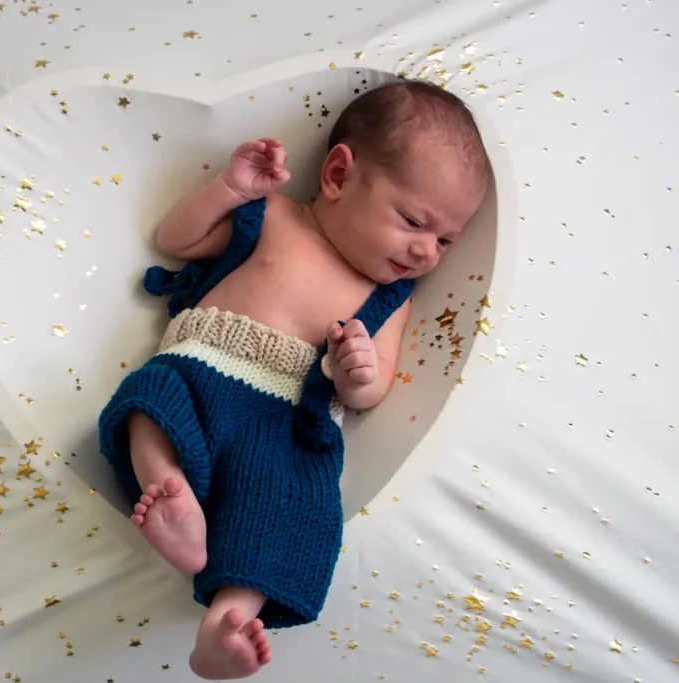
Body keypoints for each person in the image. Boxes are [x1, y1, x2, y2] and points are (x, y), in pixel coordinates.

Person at [97, 79, 490, 680]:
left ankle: (226, 621)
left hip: (285, 422)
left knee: (293, 503)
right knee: (150, 402)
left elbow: (373, 389)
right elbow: (177, 240)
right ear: (338, 175)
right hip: (202, 368)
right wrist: (231, 189)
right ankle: (170, 493)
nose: (426, 253)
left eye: (445, 240)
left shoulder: (390, 298)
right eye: (414, 221)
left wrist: (356, 373)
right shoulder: (274, 217)